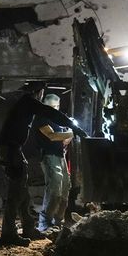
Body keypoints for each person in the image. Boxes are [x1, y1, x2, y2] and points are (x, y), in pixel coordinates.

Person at [0, 82, 86, 247]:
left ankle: (28, 228)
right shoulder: (29, 102)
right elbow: (50, 113)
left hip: (12, 147)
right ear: (39, 92)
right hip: (9, 148)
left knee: (23, 190)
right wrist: (74, 128)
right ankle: (8, 233)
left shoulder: (25, 103)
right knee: (16, 192)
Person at [33, 95, 74, 233]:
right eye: (51, 107)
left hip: (60, 156)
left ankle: (58, 223)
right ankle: (45, 223)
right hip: (49, 157)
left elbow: (63, 141)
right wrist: (71, 133)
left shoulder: (58, 120)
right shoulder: (41, 118)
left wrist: (68, 134)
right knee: (55, 188)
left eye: (56, 107)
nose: (54, 110)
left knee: (64, 190)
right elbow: (52, 135)